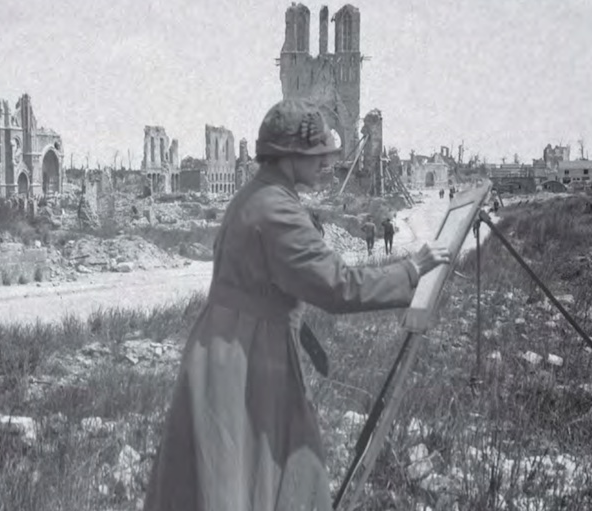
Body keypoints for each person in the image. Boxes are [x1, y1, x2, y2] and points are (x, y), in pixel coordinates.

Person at [142, 98, 450, 511]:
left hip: (231, 348)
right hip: (247, 358)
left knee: (237, 477)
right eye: (316, 155)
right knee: (259, 474)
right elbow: (339, 287)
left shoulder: (259, 195)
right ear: (288, 157)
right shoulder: (278, 210)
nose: (326, 164)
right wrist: (410, 271)